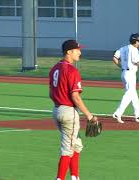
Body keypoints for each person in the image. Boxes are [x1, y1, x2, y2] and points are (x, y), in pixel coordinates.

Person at [49, 39, 98, 180]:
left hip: (57, 110)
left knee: (76, 145)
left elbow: (51, 94)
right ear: (69, 52)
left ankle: (75, 177)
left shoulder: (54, 68)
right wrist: (89, 115)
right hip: (69, 112)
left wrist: (60, 104)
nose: (80, 52)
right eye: (77, 50)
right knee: (67, 149)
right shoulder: (72, 70)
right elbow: (75, 97)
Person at [112, 33, 139, 123]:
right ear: (135, 41)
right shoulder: (134, 50)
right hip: (130, 74)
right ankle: (117, 113)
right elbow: (136, 62)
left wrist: (122, 67)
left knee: (133, 95)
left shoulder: (123, 48)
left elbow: (114, 58)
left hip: (124, 73)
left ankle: (138, 114)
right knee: (129, 94)